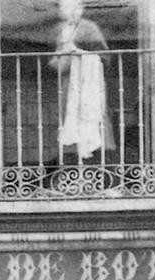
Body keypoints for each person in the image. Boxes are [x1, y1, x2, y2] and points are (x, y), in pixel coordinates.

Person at [49, 0, 115, 163]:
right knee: (69, 121)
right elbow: (56, 61)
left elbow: (105, 58)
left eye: (71, 8)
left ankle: (102, 174)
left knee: (95, 121)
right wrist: (59, 59)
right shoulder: (60, 30)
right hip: (67, 83)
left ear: (80, 9)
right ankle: (72, 172)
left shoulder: (89, 28)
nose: (67, 13)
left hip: (90, 83)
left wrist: (79, 53)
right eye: (63, 9)